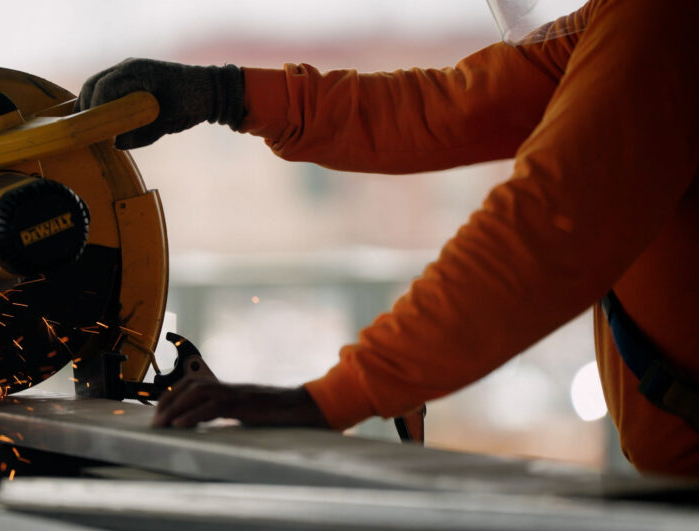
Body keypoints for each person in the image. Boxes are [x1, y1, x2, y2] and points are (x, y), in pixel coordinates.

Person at [75, 0, 699, 476]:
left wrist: (337, 396)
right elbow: (447, 110)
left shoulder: (666, 21)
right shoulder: (627, 22)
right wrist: (227, 94)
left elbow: (550, 225)